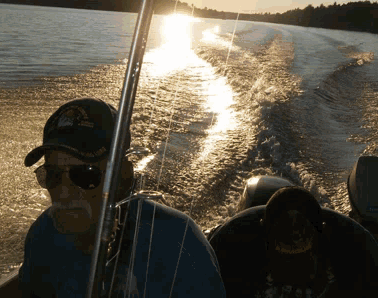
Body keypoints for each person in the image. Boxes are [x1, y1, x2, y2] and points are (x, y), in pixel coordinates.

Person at [18, 97, 226, 297]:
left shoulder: (179, 245)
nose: (63, 192)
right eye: (53, 175)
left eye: (84, 175)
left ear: (122, 177)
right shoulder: (42, 237)